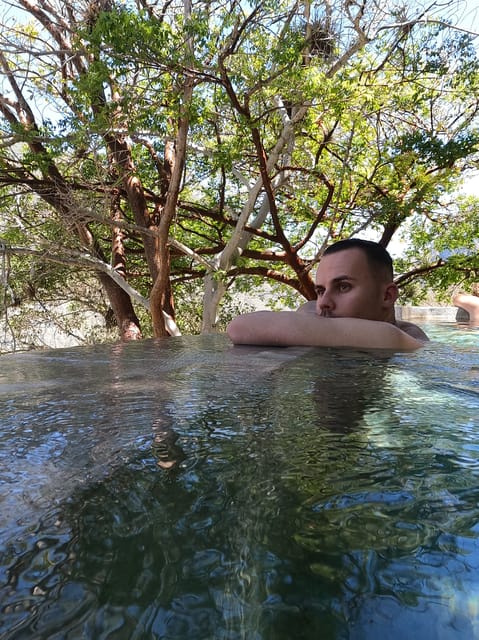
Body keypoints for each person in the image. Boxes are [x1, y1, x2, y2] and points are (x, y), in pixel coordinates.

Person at [227, 238, 429, 350]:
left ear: (387, 296)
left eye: (343, 287)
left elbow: (240, 327)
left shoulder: (393, 338)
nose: (323, 303)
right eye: (321, 291)